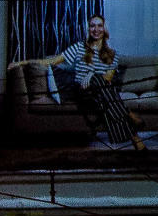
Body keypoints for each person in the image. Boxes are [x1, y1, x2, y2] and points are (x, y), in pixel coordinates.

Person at [8, 14, 128, 145]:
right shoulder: (78, 48)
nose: (96, 29)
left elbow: (108, 78)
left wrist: (91, 75)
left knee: (103, 92)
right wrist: (21, 63)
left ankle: (125, 130)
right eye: (92, 26)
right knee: (104, 93)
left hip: (100, 93)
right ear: (88, 29)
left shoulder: (113, 54)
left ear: (104, 29)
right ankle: (129, 117)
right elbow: (50, 61)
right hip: (82, 92)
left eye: (99, 26)